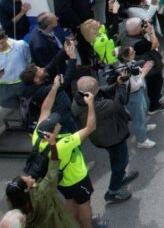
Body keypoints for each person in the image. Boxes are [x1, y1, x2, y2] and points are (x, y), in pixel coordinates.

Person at [31, 76, 97, 227]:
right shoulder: (63, 144)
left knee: (70, 200)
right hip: (76, 178)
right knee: (84, 204)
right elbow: (90, 127)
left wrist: (54, 87)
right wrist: (91, 105)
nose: (58, 122)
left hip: (59, 180)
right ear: (52, 133)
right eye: (55, 124)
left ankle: (72, 223)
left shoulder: (37, 135)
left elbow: (45, 109)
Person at [68, 75, 137, 205]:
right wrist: (121, 86)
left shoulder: (79, 99)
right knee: (121, 161)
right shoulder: (98, 106)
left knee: (116, 159)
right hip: (112, 137)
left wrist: (116, 83)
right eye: (97, 87)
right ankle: (113, 191)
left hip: (102, 136)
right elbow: (118, 102)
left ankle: (120, 177)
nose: (100, 87)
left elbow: (102, 90)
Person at [0, 29, 31, 111]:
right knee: (16, 108)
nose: (0, 46)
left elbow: (29, 59)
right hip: (6, 86)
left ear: (6, 38)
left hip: (24, 81)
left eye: (2, 42)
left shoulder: (20, 45)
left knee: (33, 101)